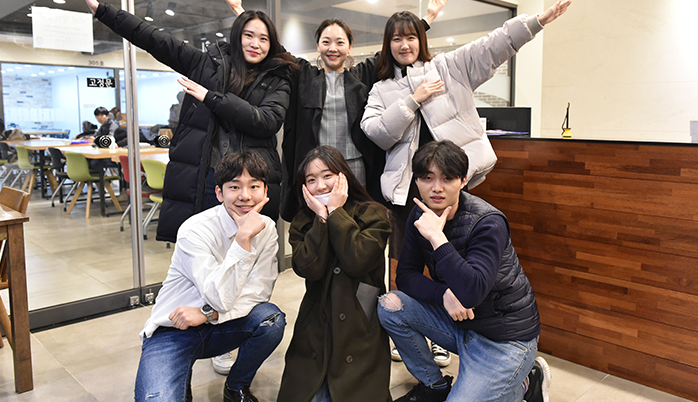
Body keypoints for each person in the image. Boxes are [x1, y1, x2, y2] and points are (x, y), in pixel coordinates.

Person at [360, 0, 571, 279]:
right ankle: (402, 306)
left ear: (421, 40)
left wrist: (536, 22)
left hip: (451, 182)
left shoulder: (448, 67)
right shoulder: (380, 89)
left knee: (453, 255)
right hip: (407, 190)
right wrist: (412, 100)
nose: (404, 45)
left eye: (411, 37)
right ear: (388, 45)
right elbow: (375, 132)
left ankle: (452, 303)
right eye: (396, 39)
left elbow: (490, 47)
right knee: (404, 263)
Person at [216, 0, 449, 222]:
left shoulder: (362, 75)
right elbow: (275, 49)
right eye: (326, 42)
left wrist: (428, 18)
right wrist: (238, 10)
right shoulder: (303, 75)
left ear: (349, 46)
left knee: (356, 224)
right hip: (315, 171)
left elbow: (392, 47)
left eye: (340, 42)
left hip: (355, 167)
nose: (333, 48)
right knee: (317, 224)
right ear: (318, 45)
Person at [77, 0, 295, 244]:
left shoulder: (278, 79)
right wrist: (104, 12)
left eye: (263, 39)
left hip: (252, 183)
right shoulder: (206, 65)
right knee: (203, 250)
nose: (255, 44)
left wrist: (211, 98)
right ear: (237, 35)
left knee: (252, 252)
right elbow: (156, 40)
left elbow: (266, 122)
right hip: (208, 178)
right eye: (248, 35)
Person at [377, 140, 549, 402]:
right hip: (461, 323)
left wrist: (437, 238)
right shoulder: (419, 216)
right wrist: (444, 295)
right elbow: (406, 276)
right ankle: (434, 386)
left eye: (447, 178)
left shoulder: (487, 222)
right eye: (427, 178)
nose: (436, 188)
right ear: (417, 181)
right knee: (390, 305)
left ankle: (525, 383)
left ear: (463, 180)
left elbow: (471, 293)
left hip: (503, 337)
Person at [133, 151, 285, 402]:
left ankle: (236, 387)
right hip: (174, 328)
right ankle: (180, 380)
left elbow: (259, 292)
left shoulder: (266, 228)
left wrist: (207, 314)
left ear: (265, 191)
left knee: (271, 319)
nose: (245, 196)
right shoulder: (195, 229)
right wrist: (243, 240)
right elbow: (217, 295)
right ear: (219, 193)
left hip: (221, 324)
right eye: (234, 187)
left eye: (254, 186)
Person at [276, 146, 392, 402]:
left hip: (359, 321)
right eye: (311, 180)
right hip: (317, 321)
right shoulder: (303, 220)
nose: (320, 186)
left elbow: (357, 261)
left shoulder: (374, 214)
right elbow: (309, 268)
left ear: (343, 176)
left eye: (327, 175)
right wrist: (321, 219)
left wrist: (337, 212)